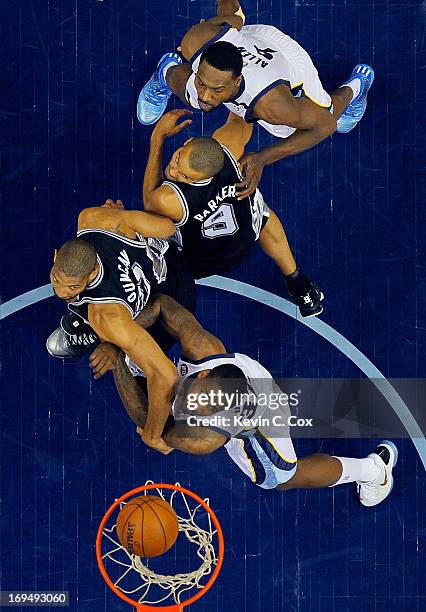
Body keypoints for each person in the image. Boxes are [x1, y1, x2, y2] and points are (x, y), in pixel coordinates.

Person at [90, 294, 397, 507]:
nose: (191, 406)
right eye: (195, 399)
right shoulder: (202, 346)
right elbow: (161, 304)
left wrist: (117, 356)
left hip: (263, 421)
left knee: (285, 478)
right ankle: (140, 362)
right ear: (202, 374)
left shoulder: (205, 438)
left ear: (219, 416)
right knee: (164, 388)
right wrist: (121, 336)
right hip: (249, 377)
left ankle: (374, 470)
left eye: (201, 409)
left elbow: (150, 424)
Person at [137, 0, 375, 198]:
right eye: (202, 83)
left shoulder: (275, 106)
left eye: (217, 90)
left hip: (284, 57)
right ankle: (164, 71)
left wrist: (263, 157)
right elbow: (226, 20)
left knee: (319, 115)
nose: (205, 96)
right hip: (245, 39)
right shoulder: (196, 41)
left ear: (237, 82)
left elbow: (326, 125)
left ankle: (356, 87)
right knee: (191, 95)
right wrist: (235, 18)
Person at [46, 202, 196, 455]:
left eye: (72, 288)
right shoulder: (95, 219)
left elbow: (167, 376)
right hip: (171, 262)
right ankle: (101, 334)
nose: (61, 291)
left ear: (93, 272)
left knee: (141, 405)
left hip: (171, 305)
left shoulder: (105, 317)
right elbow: (169, 226)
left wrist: (151, 434)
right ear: (55, 256)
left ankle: (104, 343)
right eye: (56, 278)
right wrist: (127, 219)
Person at [144, 108, 324, 317]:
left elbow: (149, 200)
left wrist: (157, 136)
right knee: (258, 209)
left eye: (184, 176)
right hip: (243, 238)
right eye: (177, 160)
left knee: (145, 229)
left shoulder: (168, 199)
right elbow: (242, 109)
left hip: (198, 262)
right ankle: (298, 284)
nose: (173, 171)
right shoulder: (230, 144)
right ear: (188, 142)